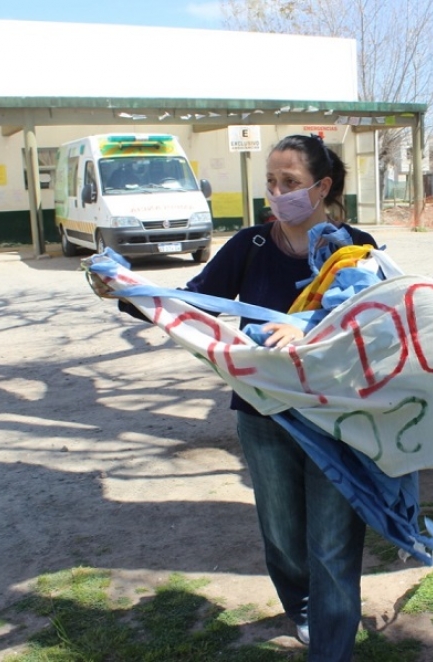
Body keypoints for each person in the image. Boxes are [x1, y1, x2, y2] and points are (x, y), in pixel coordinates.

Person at [107, 134, 376, 660]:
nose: (278, 193)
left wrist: (312, 328)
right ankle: (301, 607)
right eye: (272, 183)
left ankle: (332, 641)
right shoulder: (248, 247)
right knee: (282, 533)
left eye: (291, 183)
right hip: (262, 415)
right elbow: (189, 304)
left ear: (322, 187)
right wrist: (125, 292)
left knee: (333, 540)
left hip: (335, 418)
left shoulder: (355, 249)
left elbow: (372, 325)